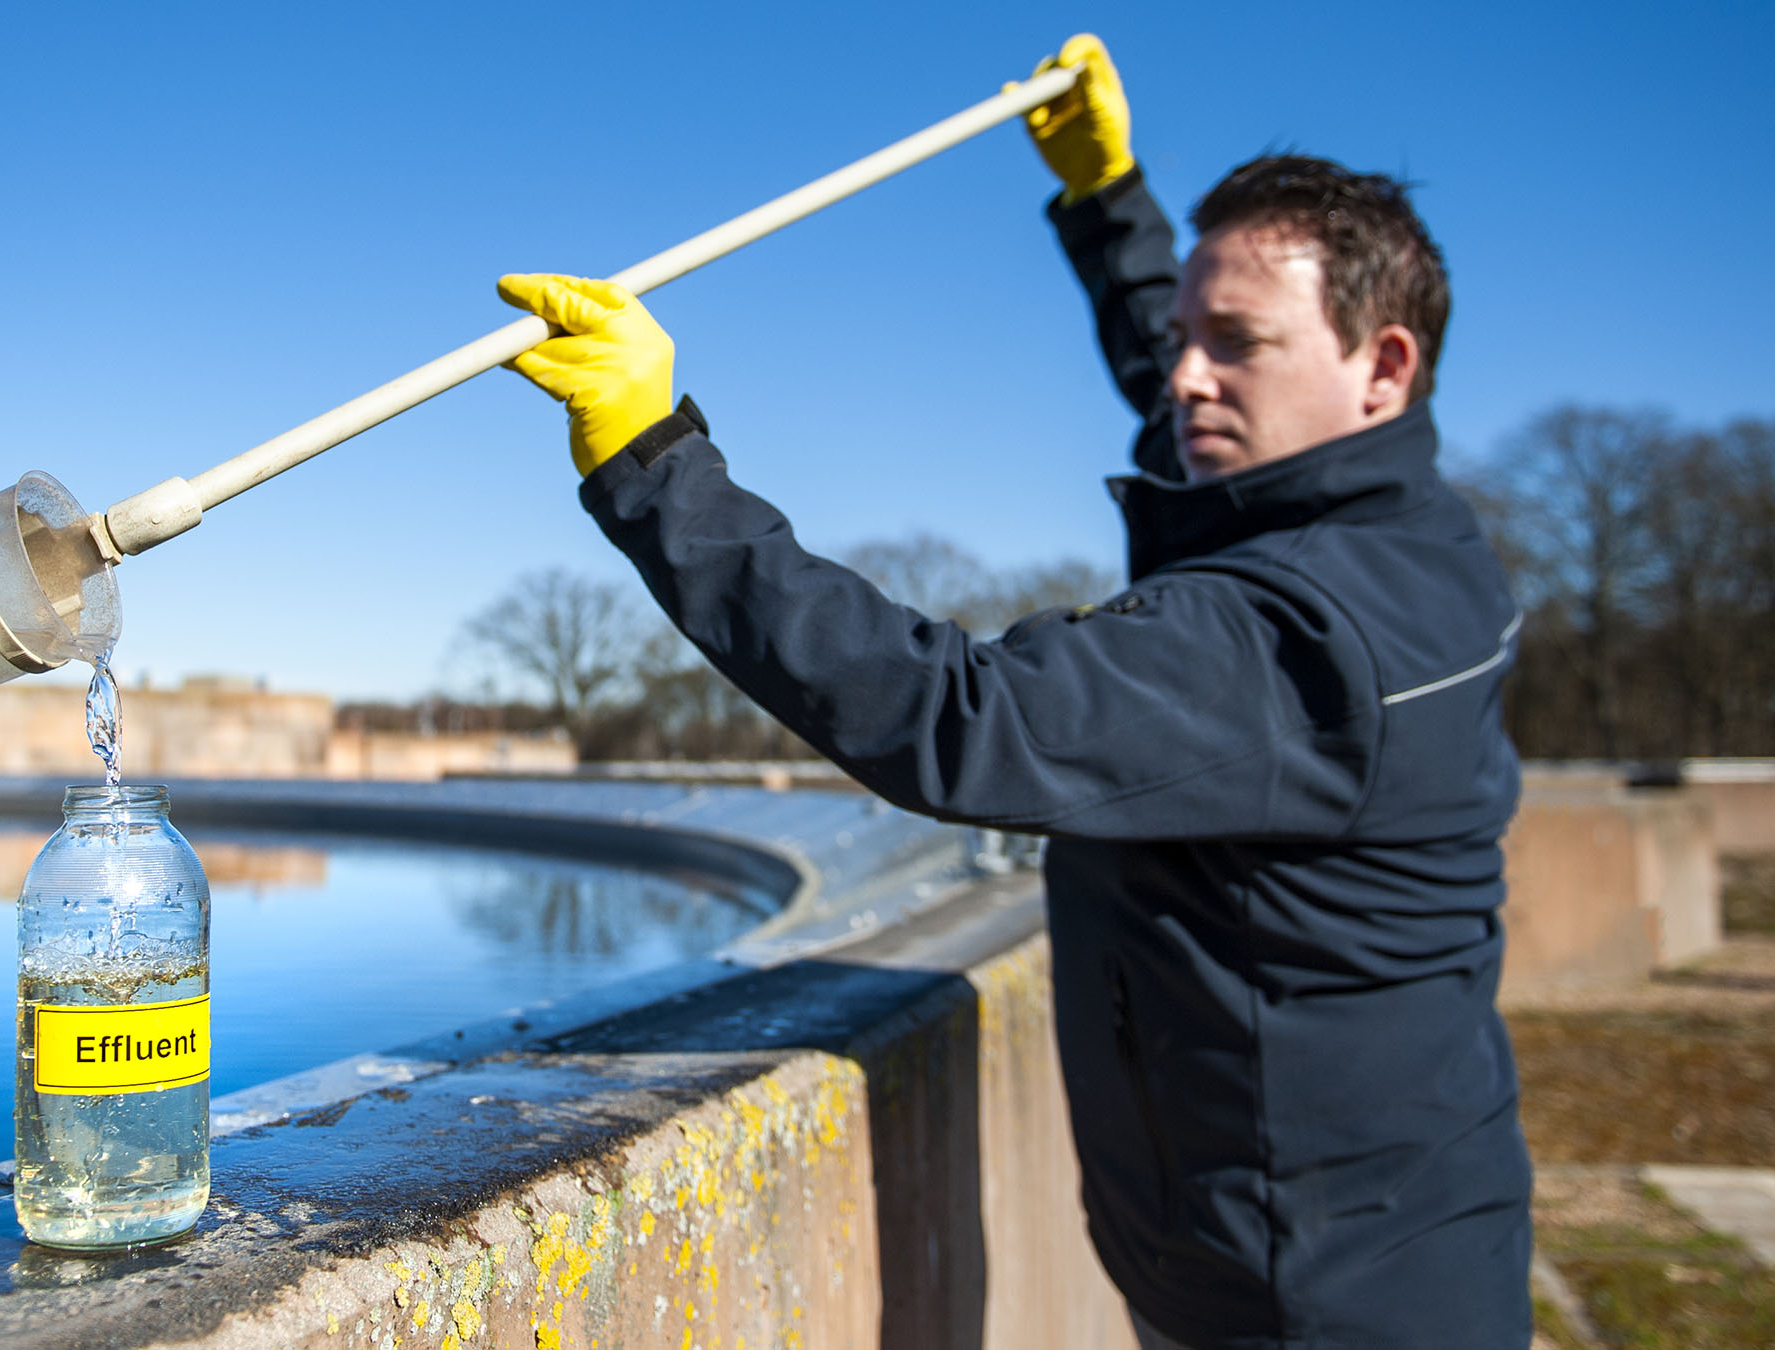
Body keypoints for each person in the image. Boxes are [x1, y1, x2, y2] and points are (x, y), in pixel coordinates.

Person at [492, 33, 1533, 1350]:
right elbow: (1179, 364)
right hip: (1330, 1238)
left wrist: (654, 462)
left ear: (1383, 366)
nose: (1186, 374)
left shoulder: (1311, 630)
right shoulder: (1388, 524)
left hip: (1325, 1301)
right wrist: (1108, 201)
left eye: (1236, 343)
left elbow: (960, 716)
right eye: (1189, 331)